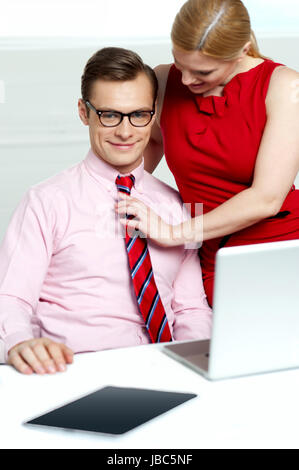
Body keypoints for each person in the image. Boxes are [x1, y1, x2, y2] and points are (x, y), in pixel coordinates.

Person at [0, 47, 212, 375]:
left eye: (138, 114)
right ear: (84, 112)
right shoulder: (46, 202)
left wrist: (194, 369)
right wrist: (18, 342)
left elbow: (191, 311)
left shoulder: (177, 208)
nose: (125, 132)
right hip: (74, 372)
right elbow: (11, 297)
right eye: (109, 115)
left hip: (166, 371)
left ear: (154, 113)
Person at [117, 0, 299, 306]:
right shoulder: (163, 80)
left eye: (203, 71)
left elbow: (266, 198)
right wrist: (101, 198)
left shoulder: (285, 87)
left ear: (242, 50)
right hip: (210, 254)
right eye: (180, 63)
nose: (186, 80)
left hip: (281, 246)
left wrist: (175, 233)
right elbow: (147, 147)